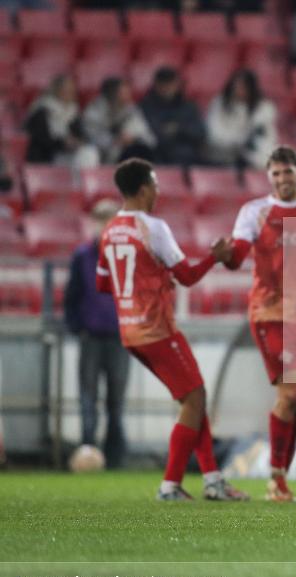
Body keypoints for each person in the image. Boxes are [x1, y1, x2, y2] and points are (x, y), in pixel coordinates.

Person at [96, 158, 248, 501]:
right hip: (157, 329)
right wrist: (217, 257)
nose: (158, 192)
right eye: (155, 185)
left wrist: (145, 282)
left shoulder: (109, 230)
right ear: (143, 189)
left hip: (129, 332)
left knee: (194, 398)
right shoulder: (153, 228)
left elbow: (103, 284)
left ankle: (212, 480)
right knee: (195, 397)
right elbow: (187, 276)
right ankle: (170, 485)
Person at [222, 146, 296, 502]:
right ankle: (276, 480)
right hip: (268, 313)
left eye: (288, 172)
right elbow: (237, 255)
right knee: (289, 393)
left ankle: (280, 477)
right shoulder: (255, 212)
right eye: (276, 174)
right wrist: (225, 254)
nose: (283, 179)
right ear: (269, 178)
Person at [64, 200, 131, 468]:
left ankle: (115, 457)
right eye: (101, 222)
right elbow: (72, 295)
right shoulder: (82, 256)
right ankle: (88, 450)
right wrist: (76, 326)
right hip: (91, 336)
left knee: (116, 400)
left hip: (119, 337)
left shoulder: (126, 255)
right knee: (87, 398)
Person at [205, 69, 278, 169]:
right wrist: (239, 141)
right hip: (221, 154)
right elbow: (214, 134)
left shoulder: (263, 109)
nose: (239, 90)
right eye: (236, 86)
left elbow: (266, 139)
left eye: (243, 87)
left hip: (250, 157)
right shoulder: (219, 104)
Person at [24, 74, 100, 169]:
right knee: (86, 155)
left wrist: (77, 142)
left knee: (89, 151)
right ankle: (79, 183)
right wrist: (63, 143)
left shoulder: (72, 111)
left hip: (68, 154)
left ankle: (84, 182)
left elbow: (81, 133)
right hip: (47, 157)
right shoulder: (42, 111)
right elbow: (42, 140)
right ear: (57, 90)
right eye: (67, 89)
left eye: (72, 89)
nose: (71, 92)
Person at [139, 67, 206, 166]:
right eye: (163, 84)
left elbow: (199, 132)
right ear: (156, 85)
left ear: (177, 84)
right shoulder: (146, 107)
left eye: (170, 84)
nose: (167, 88)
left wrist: (178, 129)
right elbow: (152, 135)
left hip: (188, 157)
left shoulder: (189, 106)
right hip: (157, 157)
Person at [82, 77, 156, 164]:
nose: (128, 95)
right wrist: (116, 140)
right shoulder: (94, 111)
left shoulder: (131, 110)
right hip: (101, 157)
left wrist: (134, 138)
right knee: (89, 153)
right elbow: (91, 139)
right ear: (111, 94)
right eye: (123, 93)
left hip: (125, 156)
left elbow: (151, 140)